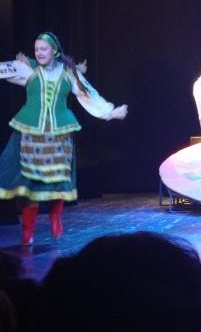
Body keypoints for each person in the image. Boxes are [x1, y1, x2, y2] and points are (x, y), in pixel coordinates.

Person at [0, 32, 127, 245]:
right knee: (31, 183)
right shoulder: (27, 69)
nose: (39, 53)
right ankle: (28, 231)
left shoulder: (69, 74)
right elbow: (3, 70)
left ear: (54, 51)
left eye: (43, 49)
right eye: (36, 49)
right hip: (32, 132)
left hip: (59, 133)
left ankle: (55, 215)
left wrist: (110, 112)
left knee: (58, 179)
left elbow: (88, 95)